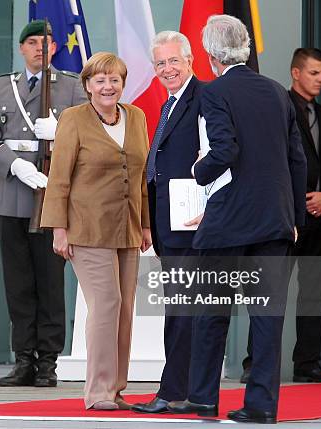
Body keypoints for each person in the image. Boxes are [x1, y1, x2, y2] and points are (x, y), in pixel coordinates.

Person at [166, 15, 307, 424]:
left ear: (210, 55)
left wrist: (198, 170)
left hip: (228, 221)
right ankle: (262, 406)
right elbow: (297, 159)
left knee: (211, 313)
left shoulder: (215, 92)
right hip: (275, 220)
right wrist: (295, 215)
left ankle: (203, 397)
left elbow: (224, 151)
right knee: (267, 320)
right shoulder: (280, 92)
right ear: (245, 47)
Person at [0, 20, 86, 387]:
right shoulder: (1, 86)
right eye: (33, 43)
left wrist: (62, 133)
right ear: (21, 48)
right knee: (18, 282)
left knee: (50, 282)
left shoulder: (70, 87)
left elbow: (88, 133)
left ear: (53, 50)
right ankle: (23, 358)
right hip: (12, 192)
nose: (40, 48)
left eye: (46, 43)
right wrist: (14, 164)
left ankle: (48, 363)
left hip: (51, 195)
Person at [41, 52, 152, 410]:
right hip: (86, 228)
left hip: (128, 227)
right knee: (106, 304)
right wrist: (59, 227)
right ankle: (98, 391)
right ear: (87, 86)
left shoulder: (136, 117)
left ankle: (116, 388)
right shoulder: (73, 119)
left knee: (125, 308)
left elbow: (142, 179)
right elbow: (58, 178)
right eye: (100, 80)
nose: (108, 86)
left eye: (115, 79)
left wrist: (146, 223)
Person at [240, 48, 321, 384]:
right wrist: (294, 200)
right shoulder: (277, 107)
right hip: (284, 217)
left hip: (320, 218)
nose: (320, 80)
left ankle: (308, 363)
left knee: (314, 293)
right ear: (296, 73)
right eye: (314, 73)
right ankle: (253, 363)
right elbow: (269, 160)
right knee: (270, 291)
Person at [130, 31, 204, 414]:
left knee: (183, 311)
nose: (167, 69)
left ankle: (175, 392)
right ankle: (184, 390)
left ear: (190, 60)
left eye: (174, 61)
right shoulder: (168, 104)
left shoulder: (205, 98)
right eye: (160, 63)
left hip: (192, 225)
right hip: (168, 226)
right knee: (179, 310)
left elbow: (218, 156)